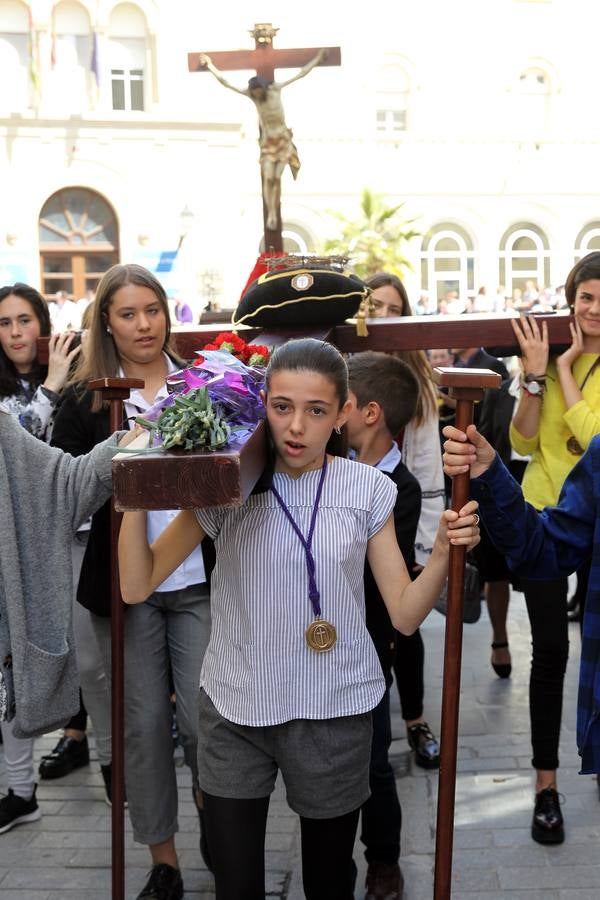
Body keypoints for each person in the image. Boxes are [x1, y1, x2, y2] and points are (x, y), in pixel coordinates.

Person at [118, 337, 480, 900]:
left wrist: (440, 554)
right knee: (236, 887)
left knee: (329, 883)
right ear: (262, 404)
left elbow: (405, 616)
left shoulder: (370, 490)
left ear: (342, 415)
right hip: (236, 706)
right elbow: (137, 584)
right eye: (282, 406)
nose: (296, 427)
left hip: (335, 709)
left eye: (316, 411)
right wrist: (135, 484)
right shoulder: (224, 484)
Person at [51, 263, 212, 900]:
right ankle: (164, 862)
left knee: (206, 723)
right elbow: (65, 489)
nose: (144, 324)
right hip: (123, 586)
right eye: (128, 313)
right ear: (107, 322)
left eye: (153, 309)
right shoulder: (88, 398)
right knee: (143, 727)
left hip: (199, 575)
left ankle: (223, 839)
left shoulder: (204, 382)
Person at [446, 250, 600, 846]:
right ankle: (545, 784)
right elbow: (522, 437)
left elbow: (595, 442)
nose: (593, 310)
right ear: (571, 299)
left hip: (596, 517)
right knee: (554, 653)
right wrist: (535, 375)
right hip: (543, 517)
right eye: (586, 297)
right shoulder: (545, 359)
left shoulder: (572, 363)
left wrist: (563, 372)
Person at [0, 283, 81, 834]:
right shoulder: (12, 394)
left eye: (24, 320)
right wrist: (50, 388)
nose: (14, 333)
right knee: (11, 666)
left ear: (42, 323)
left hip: (67, 538)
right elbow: (19, 448)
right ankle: (19, 788)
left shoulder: (72, 379)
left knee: (69, 653)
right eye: (4, 323)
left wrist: (59, 382)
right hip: (9, 544)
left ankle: (29, 784)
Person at [346, 351, 422, 900]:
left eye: (339, 403)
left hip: (370, 643)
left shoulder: (403, 489)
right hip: (312, 638)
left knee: (374, 760)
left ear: (369, 413)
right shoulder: (323, 463)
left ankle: (384, 860)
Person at [366, 272, 445, 769]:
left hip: (404, 509)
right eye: (375, 306)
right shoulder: (347, 373)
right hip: (352, 516)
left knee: (407, 627)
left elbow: (426, 466)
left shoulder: (417, 381)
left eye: (395, 308)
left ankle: (415, 719)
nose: (385, 316)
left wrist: (425, 546)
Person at [200, 49, 327, 230]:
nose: (258, 95)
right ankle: (272, 214)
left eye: (259, 92)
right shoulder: (253, 97)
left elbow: (301, 74)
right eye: (255, 93)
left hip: (282, 140)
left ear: (264, 88)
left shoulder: (275, 89)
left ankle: (275, 210)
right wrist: (210, 66)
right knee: (268, 177)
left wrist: (317, 59)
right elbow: (226, 83)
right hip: (268, 143)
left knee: (276, 177)